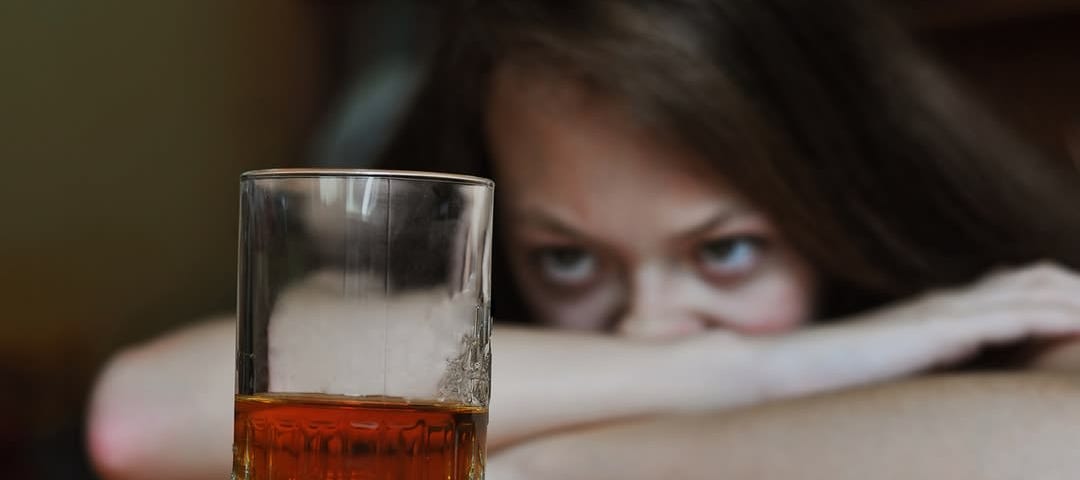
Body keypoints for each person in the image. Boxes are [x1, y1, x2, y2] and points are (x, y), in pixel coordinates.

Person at [89, 0, 1080, 479]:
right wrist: (759, 371)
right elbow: (141, 418)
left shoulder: (1010, 313)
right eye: (567, 259)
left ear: (847, 201)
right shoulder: (747, 357)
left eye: (725, 250)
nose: (651, 328)